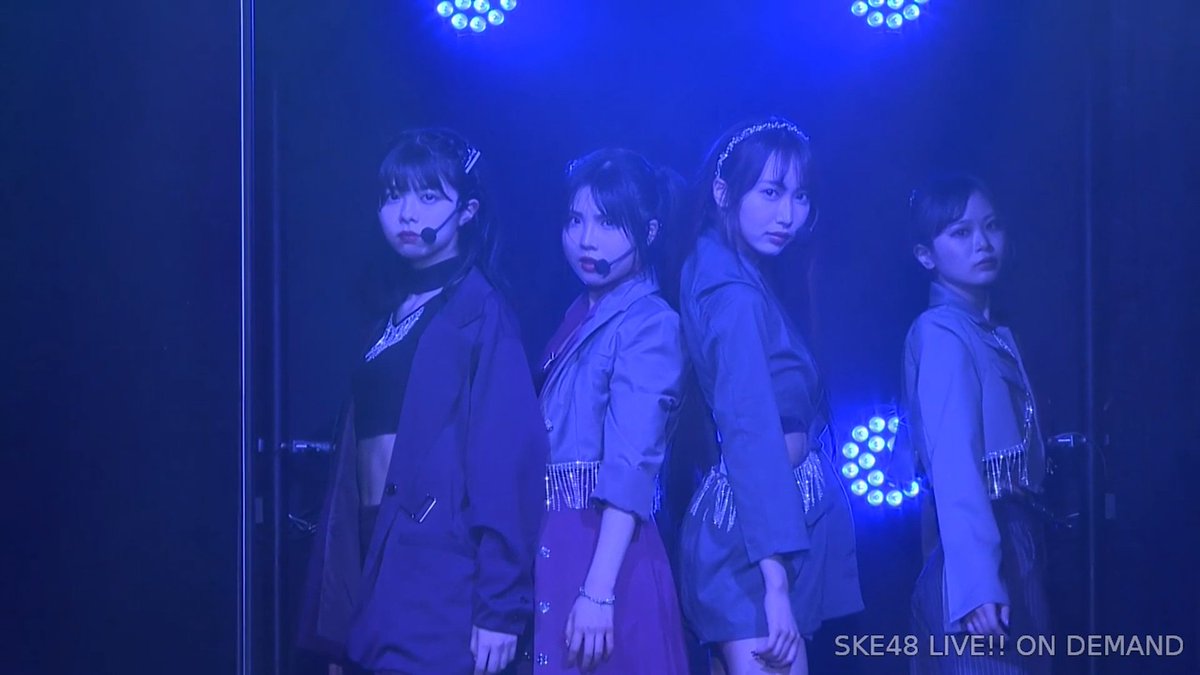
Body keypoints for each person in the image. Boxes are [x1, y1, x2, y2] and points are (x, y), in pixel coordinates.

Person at [298, 128, 547, 675]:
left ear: (467, 211)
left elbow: (507, 459)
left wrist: (500, 605)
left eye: (428, 196)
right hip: (373, 552)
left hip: (438, 568)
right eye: (393, 195)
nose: (406, 213)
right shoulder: (392, 312)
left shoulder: (480, 313)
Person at [675, 117, 864, 675]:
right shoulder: (732, 294)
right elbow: (750, 433)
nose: (789, 215)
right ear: (722, 192)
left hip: (761, 536)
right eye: (771, 192)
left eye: (800, 196)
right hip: (752, 546)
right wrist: (775, 584)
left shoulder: (736, 273)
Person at [531, 148, 690, 673]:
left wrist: (598, 591)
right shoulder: (583, 311)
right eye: (575, 220)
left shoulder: (650, 322)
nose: (586, 240)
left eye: (607, 222)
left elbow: (631, 463)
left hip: (604, 550)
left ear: (649, 230)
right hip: (559, 538)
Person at [902, 174, 1050, 675]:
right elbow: (954, 464)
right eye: (961, 232)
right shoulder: (942, 332)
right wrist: (978, 583)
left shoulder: (985, 329)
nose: (982, 243)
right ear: (926, 255)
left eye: (992, 226)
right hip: (980, 552)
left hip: (1013, 543)